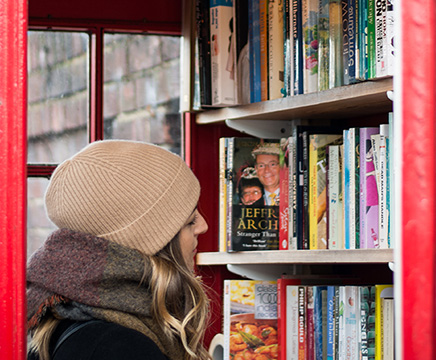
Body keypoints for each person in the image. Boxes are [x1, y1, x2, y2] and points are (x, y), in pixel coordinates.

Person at [26, 140, 210, 360]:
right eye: (189, 221)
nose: (203, 226)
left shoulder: (71, 318)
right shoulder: (118, 348)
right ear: (149, 239)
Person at [251, 141, 281, 206]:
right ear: (256, 169)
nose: (267, 170)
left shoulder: (295, 199)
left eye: (272, 164)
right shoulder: (252, 206)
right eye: (261, 165)